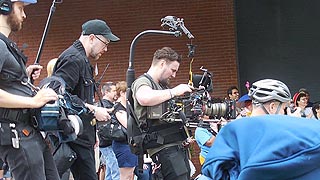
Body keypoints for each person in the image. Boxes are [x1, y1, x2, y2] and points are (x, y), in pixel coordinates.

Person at [199, 79, 320, 179]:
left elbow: (214, 169)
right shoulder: (297, 134)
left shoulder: (233, 131)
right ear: (273, 107)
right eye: (284, 109)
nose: (286, 114)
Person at [52, 19, 119, 180]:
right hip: (72, 136)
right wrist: (93, 110)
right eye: (105, 43)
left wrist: (92, 131)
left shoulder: (81, 59)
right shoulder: (73, 59)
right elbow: (58, 94)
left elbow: (79, 97)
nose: (106, 49)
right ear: (92, 38)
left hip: (80, 135)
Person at [0, 0, 60, 180]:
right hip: (15, 132)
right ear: (4, 7)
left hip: (28, 132)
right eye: (20, 8)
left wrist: (23, 78)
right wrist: (33, 101)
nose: (24, 15)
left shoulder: (5, 45)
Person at [131, 47, 193, 180]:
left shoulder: (162, 86)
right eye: (173, 70)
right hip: (163, 147)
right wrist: (174, 91)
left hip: (174, 146)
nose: (174, 75)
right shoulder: (144, 82)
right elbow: (144, 97)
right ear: (162, 64)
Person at [112, 81, 138, 180]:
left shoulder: (127, 106)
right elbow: (129, 125)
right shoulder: (118, 108)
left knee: (130, 174)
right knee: (125, 175)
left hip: (129, 144)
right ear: (122, 93)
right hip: (123, 144)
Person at [98, 82, 120, 180]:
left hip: (107, 143)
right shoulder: (104, 106)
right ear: (106, 92)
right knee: (116, 170)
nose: (116, 93)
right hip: (107, 143)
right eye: (114, 90)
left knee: (110, 172)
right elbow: (105, 128)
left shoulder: (108, 105)